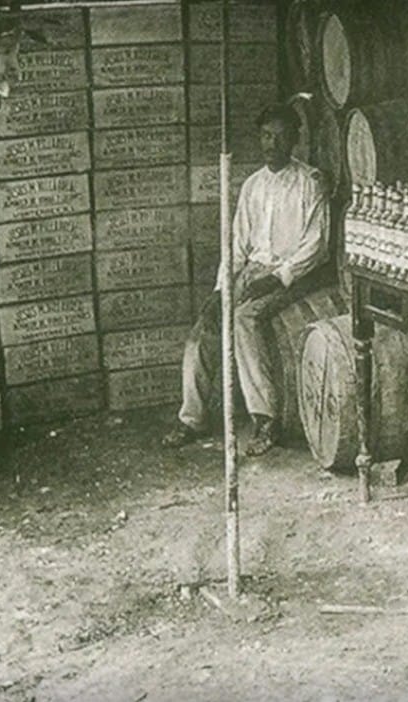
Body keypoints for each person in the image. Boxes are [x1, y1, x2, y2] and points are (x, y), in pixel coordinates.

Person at [163, 104, 330, 456]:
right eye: (266, 136)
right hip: (253, 270)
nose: (272, 144)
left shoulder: (310, 182)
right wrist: (220, 289)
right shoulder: (253, 186)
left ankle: (265, 418)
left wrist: (278, 278)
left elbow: (316, 246)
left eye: (280, 136)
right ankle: (191, 417)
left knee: (243, 319)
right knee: (205, 328)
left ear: (294, 139)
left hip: (293, 274)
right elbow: (237, 246)